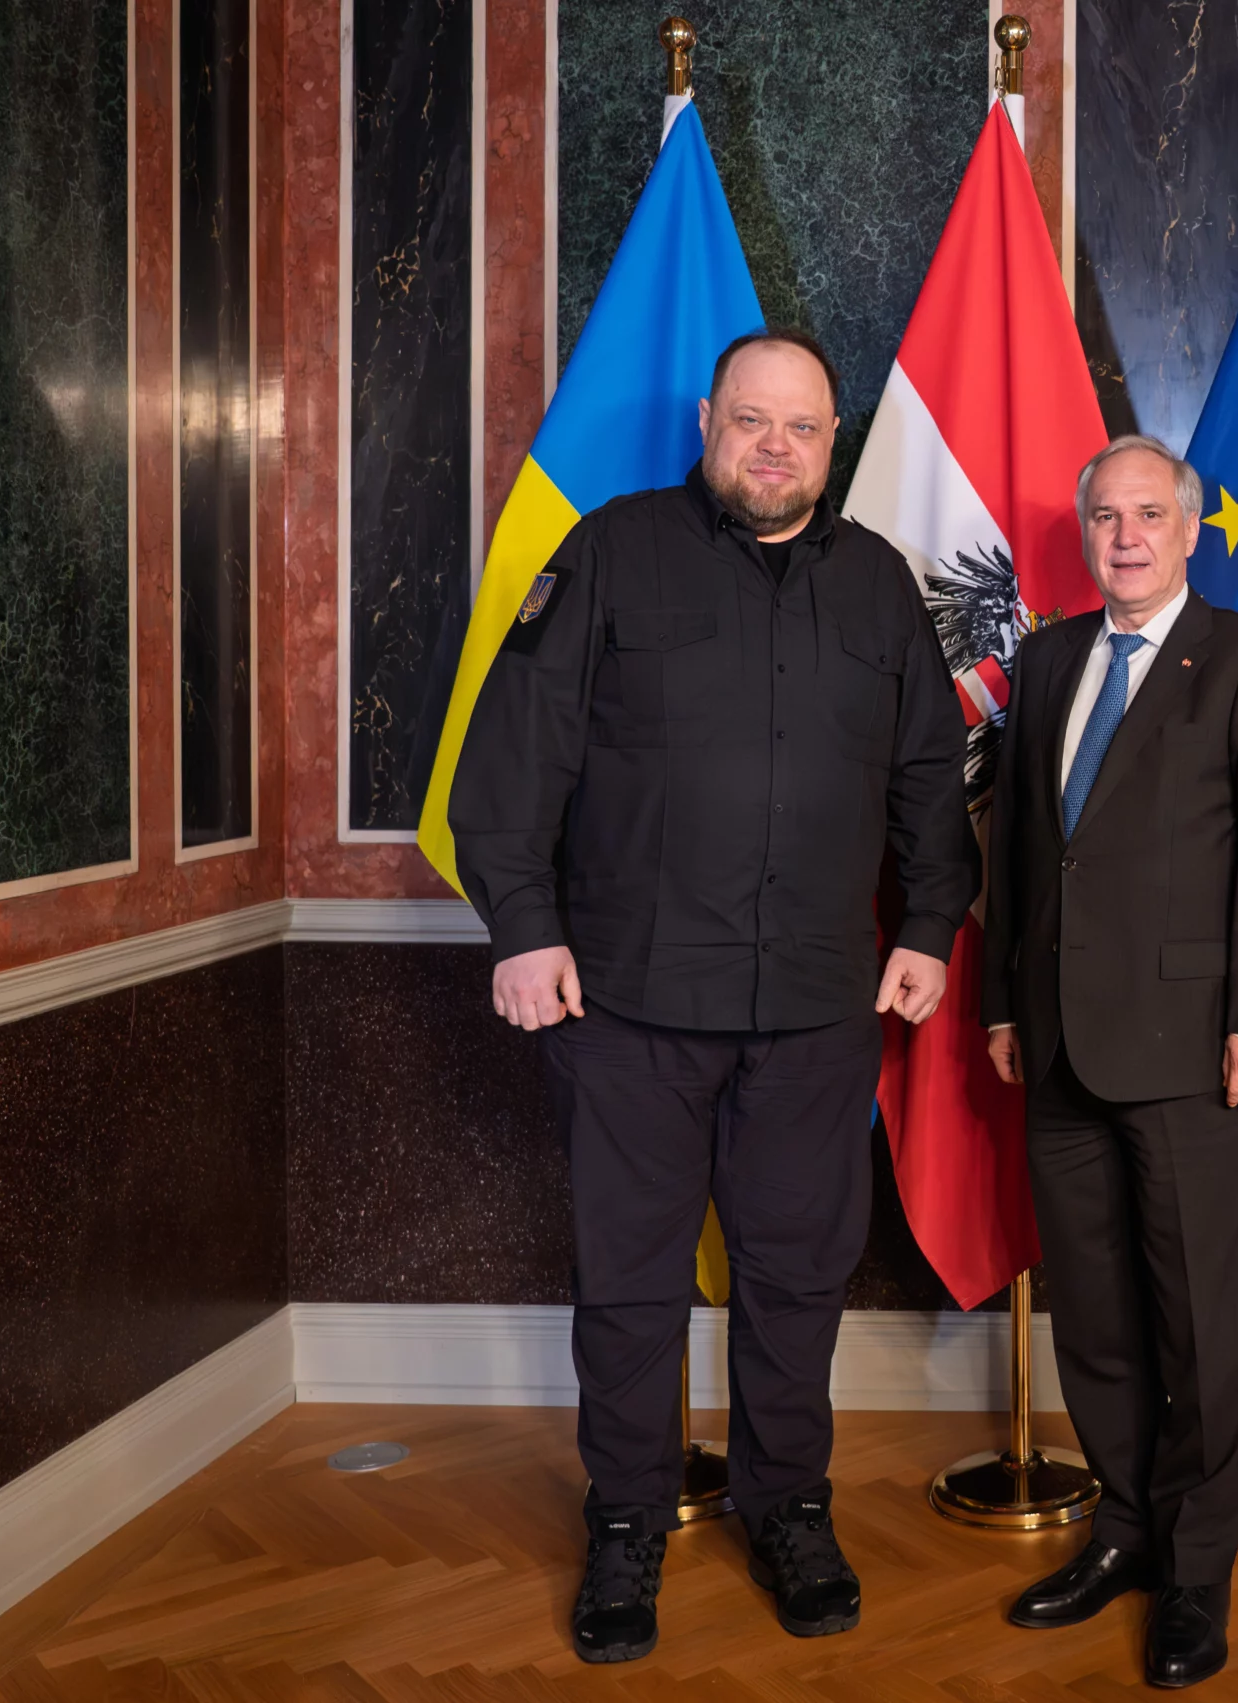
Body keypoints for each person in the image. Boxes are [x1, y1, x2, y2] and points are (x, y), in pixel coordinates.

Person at [449, 328, 977, 1665]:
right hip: (627, 1006)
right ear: (707, 422)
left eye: (801, 427)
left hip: (814, 1006)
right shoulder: (612, 551)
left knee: (797, 1280)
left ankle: (787, 1507)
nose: (775, 447)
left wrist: (928, 923)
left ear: (832, 439)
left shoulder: (878, 584)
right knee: (631, 1285)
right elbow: (511, 756)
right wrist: (523, 929)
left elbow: (930, 774)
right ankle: (627, 1520)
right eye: (752, 420)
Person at [982, 435, 1238, 1689]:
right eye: (1105, 517)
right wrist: (1003, 1007)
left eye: (1147, 515)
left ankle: (1196, 1568)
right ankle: (1123, 1529)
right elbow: (1021, 850)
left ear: (1188, 529)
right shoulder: (1047, 658)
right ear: (1085, 532)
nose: (1124, 536)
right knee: (1096, 1315)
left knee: (1195, 1321)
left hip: (1193, 1047)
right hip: (1057, 1042)